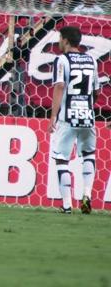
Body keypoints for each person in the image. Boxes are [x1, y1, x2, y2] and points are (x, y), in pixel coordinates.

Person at [49, 26, 100, 214]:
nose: (59, 42)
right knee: (89, 154)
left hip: (67, 117)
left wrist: (53, 116)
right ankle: (87, 194)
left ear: (66, 40)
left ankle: (67, 204)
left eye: (60, 38)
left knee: (62, 158)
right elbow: (96, 91)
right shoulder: (91, 60)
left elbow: (60, 86)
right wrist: (87, 106)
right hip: (87, 116)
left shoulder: (61, 60)